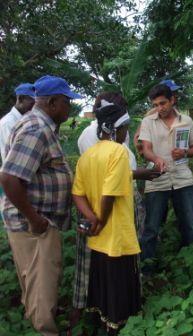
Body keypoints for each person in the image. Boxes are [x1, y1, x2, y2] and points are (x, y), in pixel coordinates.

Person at [0, 75, 82, 336]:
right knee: (42, 286)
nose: (70, 108)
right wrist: (34, 219)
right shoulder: (37, 128)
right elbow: (9, 177)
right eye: (68, 102)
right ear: (53, 102)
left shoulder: (41, 125)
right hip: (34, 224)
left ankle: (38, 320)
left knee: (35, 281)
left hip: (35, 220)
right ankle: (46, 331)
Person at [71, 92, 160, 330]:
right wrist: (101, 219)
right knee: (121, 288)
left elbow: (77, 194)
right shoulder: (118, 152)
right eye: (125, 128)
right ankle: (118, 326)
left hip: (97, 239)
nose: (126, 134)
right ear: (114, 129)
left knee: (104, 286)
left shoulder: (87, 155)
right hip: (118, 236)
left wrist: (92, 220)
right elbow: (109, 194)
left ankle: (102, 322)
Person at [139, 84, 193, 267]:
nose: (159, 108)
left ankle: (189, 263)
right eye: (156, 104)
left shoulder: (186, 121)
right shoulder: (148, 122)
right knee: (151, 227)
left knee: (189, 224)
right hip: (157, 179)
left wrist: (185, 153)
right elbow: (146, 149)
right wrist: (157, 159)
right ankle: (148, 268)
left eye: (163, 103)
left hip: (183, 178)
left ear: (173, 99)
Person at [133, 79, 182, 155]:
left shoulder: (176, 112)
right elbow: (138, 138)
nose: (176, 95)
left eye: (176, 92)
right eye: (173, 93)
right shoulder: (153, 114)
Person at [0, 83, 35, 161]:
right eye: (32, 104)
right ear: (21, 99)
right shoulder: (8, 123)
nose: (33, 108)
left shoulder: (27, 119)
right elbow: (12, 154)